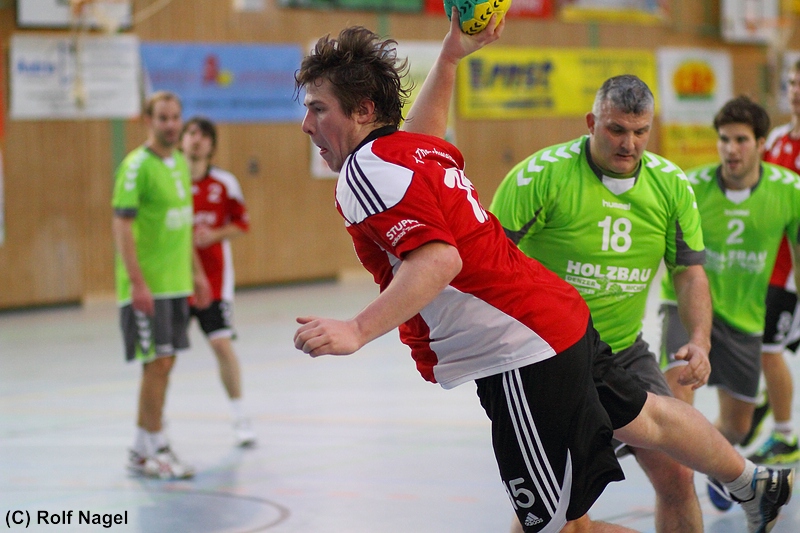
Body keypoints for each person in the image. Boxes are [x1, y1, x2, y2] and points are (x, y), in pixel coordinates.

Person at [292, 20, 792, 533]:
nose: (307, 124)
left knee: (555, 527)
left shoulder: (364, 170)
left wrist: (357, 329)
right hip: (557, 317)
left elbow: (438, 261)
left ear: (363, 111)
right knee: (649, 419)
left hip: (520, 350)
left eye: (318, 108)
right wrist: (449, 58)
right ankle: (753, 482)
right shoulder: (408, 152)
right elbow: (426, 135)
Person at [411, 9, 711, 533]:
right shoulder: (539, 178)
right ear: (592, 123)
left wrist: (701, 339)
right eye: (616, 130)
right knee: (558, 516)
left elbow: (689, 272)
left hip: (624, 351)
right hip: (551, 357)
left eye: (640, 132)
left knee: (678, 476)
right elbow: (484, 263)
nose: (629, 143)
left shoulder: (670, 185)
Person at [659, 96, 800, 510]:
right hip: (686, 306)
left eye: (741, 140)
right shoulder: (690, 186)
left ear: (761, 144)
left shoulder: (789, 190)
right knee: (678, 409)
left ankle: (718, 466)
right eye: (724, 139)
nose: (730, 149)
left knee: (737, 426)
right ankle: (680, 493)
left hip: (745, 314)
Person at [112, 91, 211, 479]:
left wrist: (197, 274)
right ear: (148, 121)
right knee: (156, 365)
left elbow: (184, 225)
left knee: (164, 365)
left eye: (175, 118)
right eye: (163, 118)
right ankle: (156, 447)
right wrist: (137, 283)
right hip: (148, 287)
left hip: (175, 284)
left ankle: (141, 449)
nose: (170, 125)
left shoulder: (180, 163)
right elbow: (121, 226)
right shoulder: (136, 166)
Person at [180, 116, 256, 448]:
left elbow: (241, 224)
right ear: (182, 140)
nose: (196, 140)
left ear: (211, 145)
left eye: (203, 136)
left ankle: (240, 417)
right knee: (163, 357)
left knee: (221, 345)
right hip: (175, 280)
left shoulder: (224, 183)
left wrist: (214, 234)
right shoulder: (171, 180)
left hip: (214, 280)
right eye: (191, 134)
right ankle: (156, 428)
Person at [742, 60, 800, 465]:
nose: (796, 90)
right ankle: (771, 397)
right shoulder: (778, 139)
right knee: (766, 347)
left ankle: (785, 436)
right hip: (767, 265)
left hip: (792, 273)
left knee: (769, 348)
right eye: (793, 83)